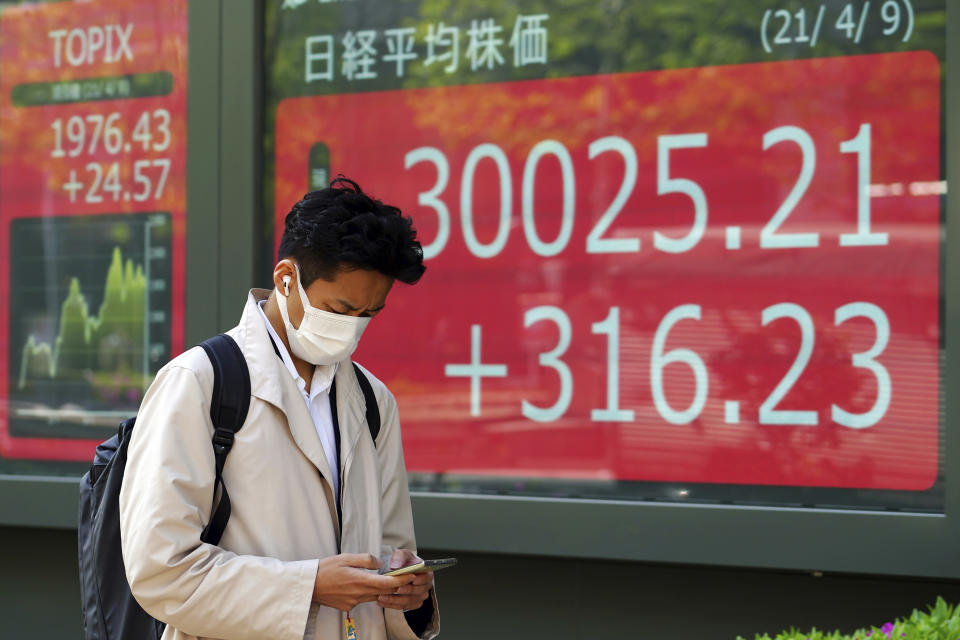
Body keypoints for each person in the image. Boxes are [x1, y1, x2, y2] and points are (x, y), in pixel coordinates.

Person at [119, 178, 439, 640]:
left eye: (369, 314)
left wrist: (406, 593)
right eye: (340, 308)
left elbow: (393, 550)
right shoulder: (199, 383)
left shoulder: (373, 401)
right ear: (285, 278)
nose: (352, 329)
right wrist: (308, 586)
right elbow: (160, 571)